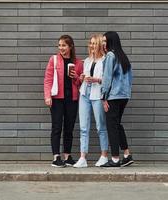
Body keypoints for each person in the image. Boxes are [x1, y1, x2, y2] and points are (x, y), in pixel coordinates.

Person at [44, 35, 83, 167]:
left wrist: (76, 76)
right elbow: (48, 79)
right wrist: (47, 96)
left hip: (72, 99)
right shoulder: (54, 60)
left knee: (69, 128)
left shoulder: (78, 63)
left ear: (71, 46)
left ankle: (67, 156)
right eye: (59, 45)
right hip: (57, 99)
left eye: (64, 45)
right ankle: (56, 157)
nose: (61, 48)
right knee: (57, 127)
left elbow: (80, 83)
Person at [73, 34, 109, 168]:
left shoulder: (106, 60)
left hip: (97, 95)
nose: (92, 46)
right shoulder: (86, 61)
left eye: (95, 43)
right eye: (91, 43)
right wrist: (82, 77)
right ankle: (83, 158)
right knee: (83, 127)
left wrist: (96, 80)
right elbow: (83, 77)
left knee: (101, 126)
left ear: (100, 45)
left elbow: (108, 80)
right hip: (84, 94)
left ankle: (104, 156)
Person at [100, 31, 134, 167]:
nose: (103, 43)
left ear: (110, 41)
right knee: (117, 124)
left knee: (111, 127)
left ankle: (115, 159)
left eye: (104, 41)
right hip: (124, 96)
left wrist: (104, 97)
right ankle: (127, 154)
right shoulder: (123, 56)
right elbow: (130, 78)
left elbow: (107, 78)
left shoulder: (110, 55)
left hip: (113, 96)